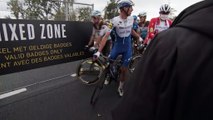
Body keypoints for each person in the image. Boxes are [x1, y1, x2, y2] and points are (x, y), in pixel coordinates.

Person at [111, 0, 213, 119]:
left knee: (133, 68)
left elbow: (135, 31)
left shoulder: (170, 22)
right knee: (114, 61)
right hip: (156, 42)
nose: (164, 14)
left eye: (166, 12)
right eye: (162, 12)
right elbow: (150, 33)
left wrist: (138, 37)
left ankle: (123, 85)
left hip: (166, 45)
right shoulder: (154, 21)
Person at [93, 0, 142, 97]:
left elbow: (131, 30)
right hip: (117, 46)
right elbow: (106, 36)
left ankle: (120, 87)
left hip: (127, 47)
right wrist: (98, 51)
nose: (132, 10)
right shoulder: (114, 21)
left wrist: (138, 37)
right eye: (130, 7)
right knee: (109, 63)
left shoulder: (131, 19)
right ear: (124, 8)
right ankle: (108, 75)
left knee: (124, 70)